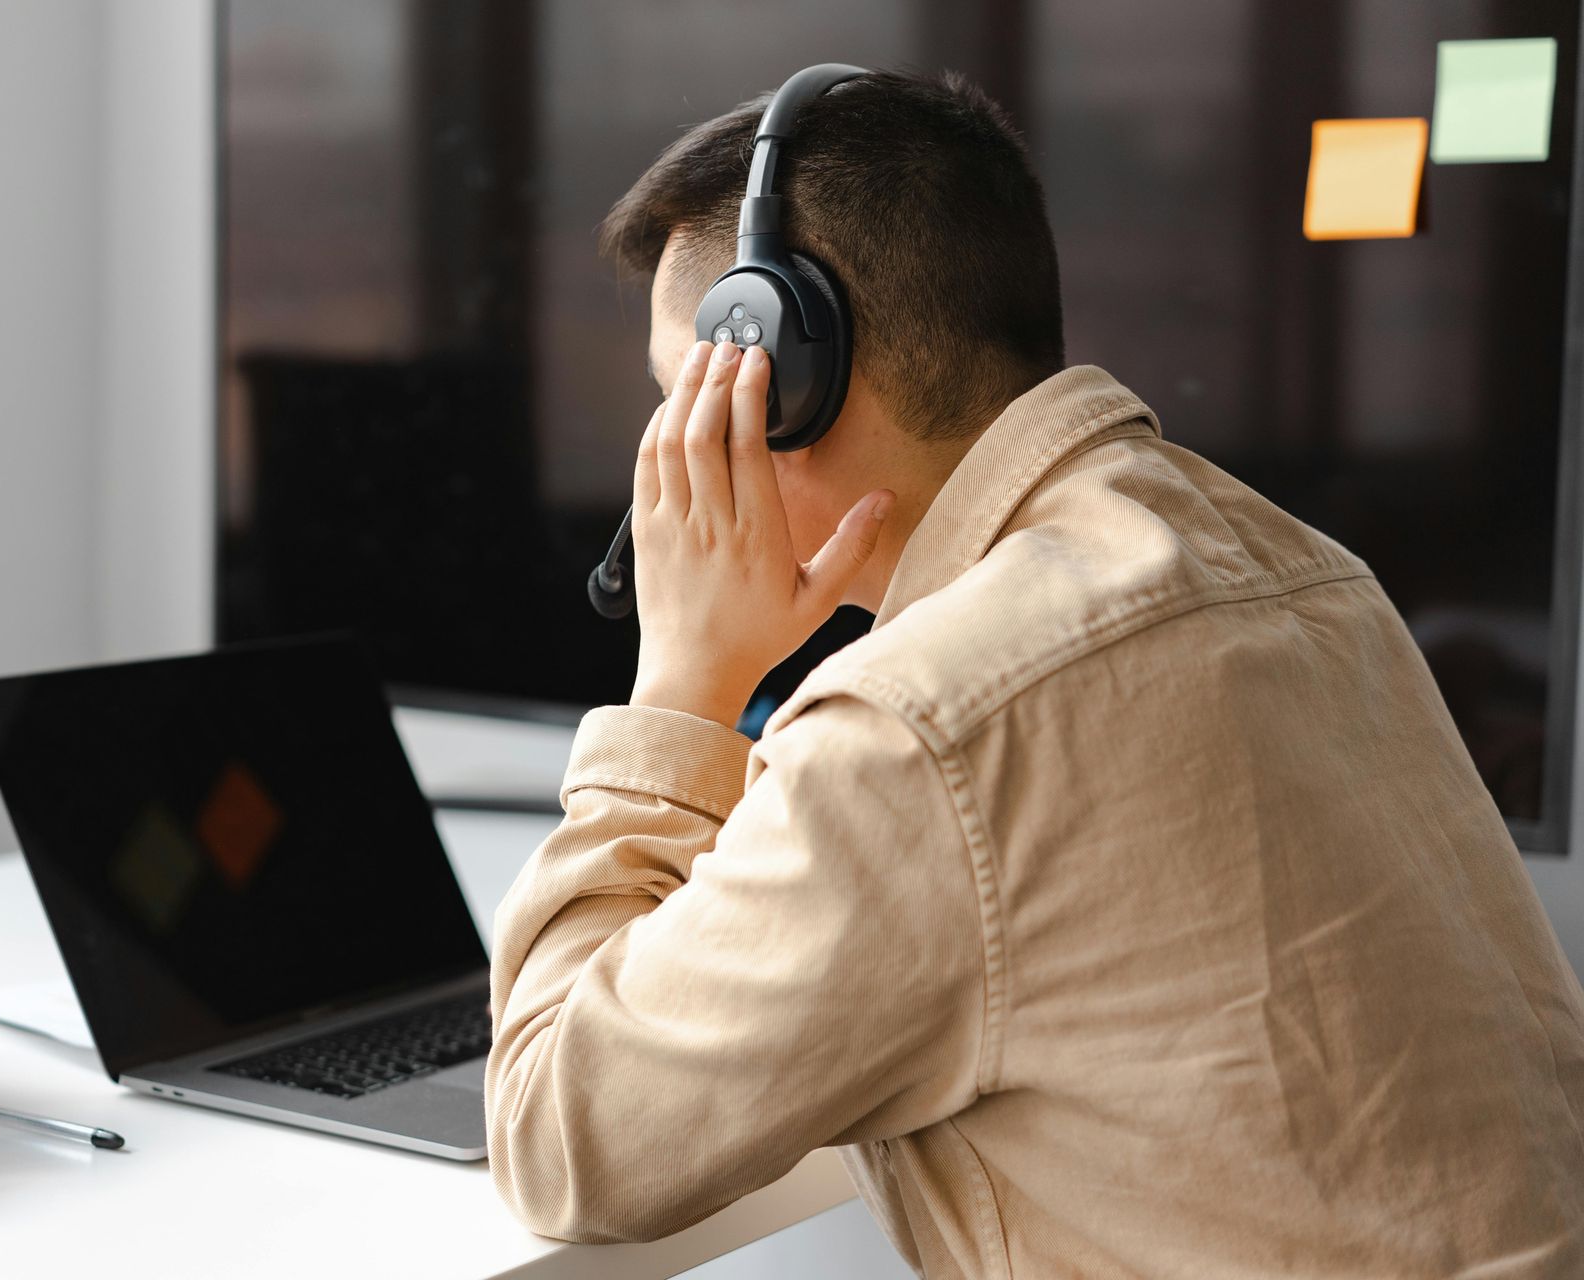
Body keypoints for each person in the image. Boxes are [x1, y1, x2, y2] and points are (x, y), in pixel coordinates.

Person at [484, 68, 1584, 1277]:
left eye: (683, 399)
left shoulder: (924, 725)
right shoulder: (1305, 569)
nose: (670, 460)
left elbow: (558, 1140)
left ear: (782, 384)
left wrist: (682, 691)